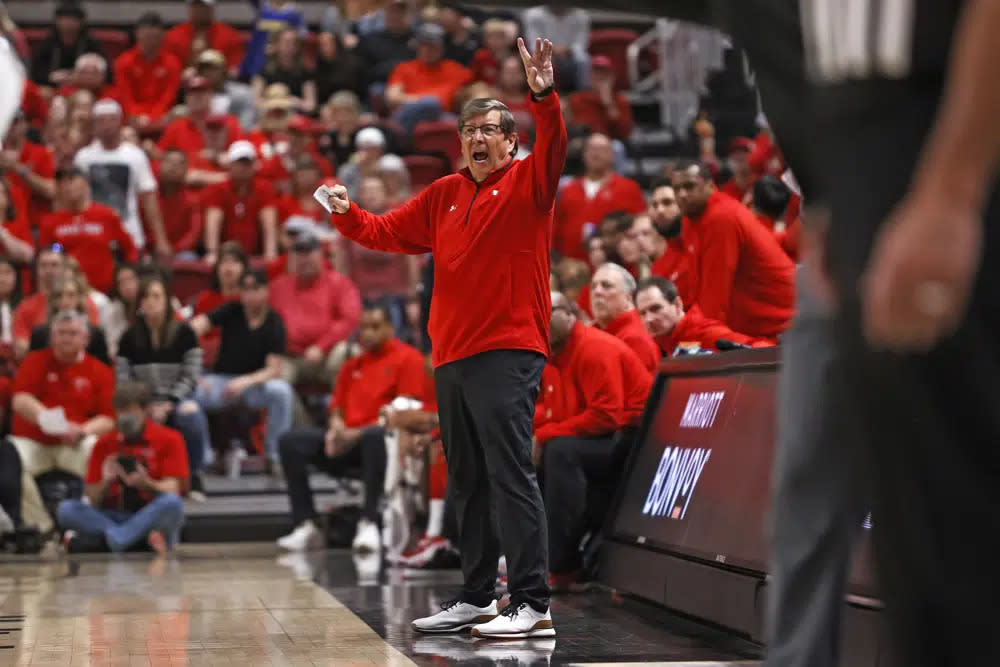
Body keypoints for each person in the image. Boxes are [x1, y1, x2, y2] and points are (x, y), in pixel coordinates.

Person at [324, 37, 566, 639]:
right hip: (452, 355)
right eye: (468, 131)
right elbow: (382, 231)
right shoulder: (443, 195)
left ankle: (531, 601)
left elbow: (556, 143)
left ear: (511, 141)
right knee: (467, 479)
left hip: (508, 350)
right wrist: (346, 212)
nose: (477, 138)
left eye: (489, 129)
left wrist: (543, 96)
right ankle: (478, 595)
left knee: (511, 473)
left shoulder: (530, 184)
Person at [276, 302, 426, 553]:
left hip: (384, 444)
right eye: (364, 327)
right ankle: (306, 523)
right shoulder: (353, 364)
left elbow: (404, 413)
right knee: (290, 442)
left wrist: (353, 434)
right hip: (347, 442)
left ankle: (368, 522)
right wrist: (335, 430)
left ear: (391, 327)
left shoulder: (409, 359)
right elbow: (336, 407)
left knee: (375, 437)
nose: (368, 333)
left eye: (375, 327)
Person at [539, 291, 652, 588]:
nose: (540, 321)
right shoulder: (554, 356)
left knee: (559, 451)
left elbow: (606, 416)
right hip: (610, 434)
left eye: (548, 313)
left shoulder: (592, 348)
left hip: (639, 436)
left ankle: (563, 566)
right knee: (536, 450)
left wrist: (544, 434)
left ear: (570, 313)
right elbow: (562, 413)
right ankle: (540, 559)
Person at [8, 309, 115, 534]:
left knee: (100, 452)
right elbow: (20, 400)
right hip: (35, 441)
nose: (66, 338)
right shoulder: (35, 361)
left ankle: (85, 522)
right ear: (52, 337)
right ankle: (39, 526)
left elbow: (109, 418)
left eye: (73, 333)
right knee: (10, 458)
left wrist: (83, 430)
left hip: (75, 442)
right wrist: (52, 423)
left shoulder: (101, 371)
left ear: (85, 339)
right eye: (61, 333)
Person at [57, 381, 187, 554]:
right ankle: (139, 542)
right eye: (120, 412)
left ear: (144, 410)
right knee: (66, 510)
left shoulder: (170, 439)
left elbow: (174, 488)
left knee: (172, 504)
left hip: (151, 513)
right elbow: (93, 499)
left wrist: (148, 484)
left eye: (129, 411)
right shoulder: (104, 444)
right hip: (114, 514)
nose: (124, 417)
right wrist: (105, 481)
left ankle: (113, 541)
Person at [671, 160, 795, 340]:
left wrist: (695, 338)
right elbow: (699, 290)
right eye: (676, 189)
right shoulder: (691, 220)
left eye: (689, 186)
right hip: (760, 330)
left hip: (782, 328)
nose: (682, 194)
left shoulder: (720, 218)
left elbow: (714, 305)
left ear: (709, 185)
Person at [115, 275, 210, 500]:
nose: (151, 302)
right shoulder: (128, 338)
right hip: (142, 404)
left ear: (167, 301)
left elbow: (191, 376)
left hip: (176, 400)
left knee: (190, 413)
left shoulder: (185, 334)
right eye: (146, 297)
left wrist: (168, 403)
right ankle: (135, 481)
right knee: (126, 419)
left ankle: (194, 476)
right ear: (139, 303)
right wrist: (144, 407)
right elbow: (123, 379)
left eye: (157, 296)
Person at [190, 268, 293, 471]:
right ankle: (202, 458)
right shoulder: (231, 310)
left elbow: (274, 369)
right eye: (245, 289)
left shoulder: (275, 322)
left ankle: (274, 456)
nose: (250, 294)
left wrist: (245, 381)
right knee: (191, 393)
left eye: (255, 288)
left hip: (253, 385)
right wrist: (193, 369)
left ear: (266, 291)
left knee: (282, 391)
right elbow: (192, 329)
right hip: (221, 381)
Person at [73, 98, 170, 255]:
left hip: (129, 233)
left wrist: (161, 240)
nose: (107, 125)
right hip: (93, 233)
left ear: (120, 122)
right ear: (95, 124)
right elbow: (75, 197)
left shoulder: (135, 155)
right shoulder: (83, 157)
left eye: (112, 120)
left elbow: (149, 198)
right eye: (102, 121)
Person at [634, 276, 771, 357]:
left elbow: (763, 351)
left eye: (656, 308)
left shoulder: (703, 333)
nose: (649, 319)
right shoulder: (659, 343)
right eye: (643, 313)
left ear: (677, 304)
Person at [589, 263, 660, 372]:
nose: (597, 292)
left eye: (607, 286)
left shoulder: (635, 340)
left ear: (628, 297)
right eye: (593, 286)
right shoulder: (594, 332)